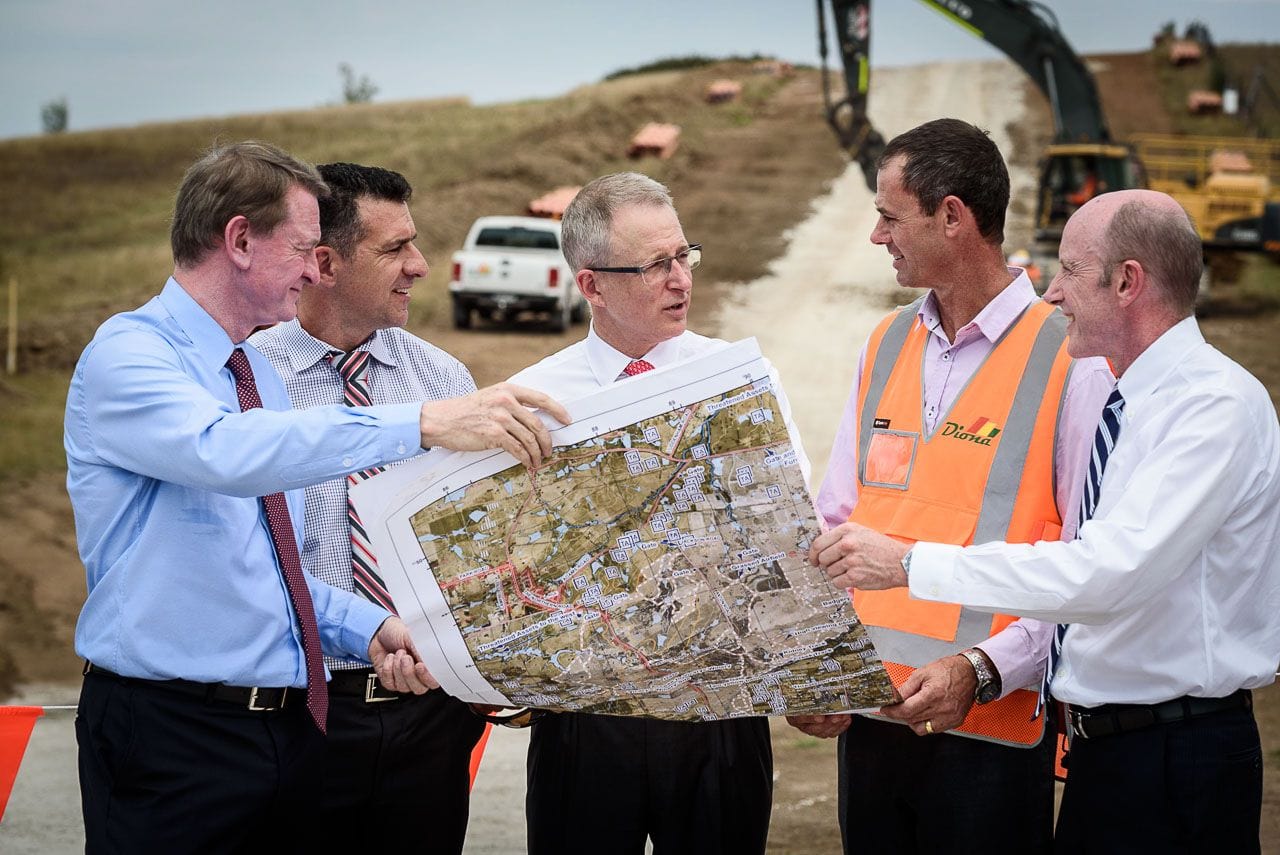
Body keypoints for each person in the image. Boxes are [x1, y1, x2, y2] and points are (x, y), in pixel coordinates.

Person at [66, 140, 568, 853]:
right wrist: (419, 423)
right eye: (304, 248)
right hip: (170, 731)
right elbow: (224, 452)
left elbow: (266, 570)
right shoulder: (129, 356)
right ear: (240, 241)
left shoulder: (254, 377)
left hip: (284, 733)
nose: (312, 269)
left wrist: (370, 628)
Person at [816, 189, 1280, 854]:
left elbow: (1105, 574)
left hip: (1175, 755)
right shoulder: (1134, 403)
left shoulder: (1212, 408)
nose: (1052, 291)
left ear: (1127, 282)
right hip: (1109, 750)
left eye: (1069, 269)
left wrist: (911, 564)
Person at [785, 118, 1114, 854]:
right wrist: (815, 668)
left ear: (953, 216)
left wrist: (983, 670)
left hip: (992, 729)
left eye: (890, 216)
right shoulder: (885, 341)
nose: (877, 235)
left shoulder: (1072, 358)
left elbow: (1087, 561)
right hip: (873, 722)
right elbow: (836, 519)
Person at [509, 171, 810, 855]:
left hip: (719, 704)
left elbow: (788, 527)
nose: (680, 280)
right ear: (592, 285)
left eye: (683, 255)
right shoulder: (533, 399)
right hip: (588, 713)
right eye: (654, 265)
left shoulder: (740, 381)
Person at [250, 162, 486, 853]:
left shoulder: (443, 378)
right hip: (298, 715)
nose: (419, 265)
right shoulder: (247, 383)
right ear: (324, 263)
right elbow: (244, 559)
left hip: (427, 722)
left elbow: (469, 546)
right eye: (394, 248)